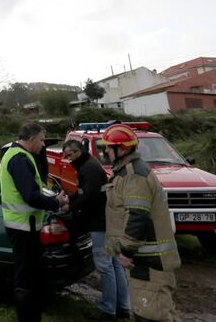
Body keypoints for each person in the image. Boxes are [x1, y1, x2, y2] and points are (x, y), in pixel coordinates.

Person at [102, 124, 181, 322]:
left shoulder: (134, 175)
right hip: (143, 260)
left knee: (152, 315)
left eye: (109, 147)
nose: (105, 151)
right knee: (152, 312)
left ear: (123, 149)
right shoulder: (126, 172)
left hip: (148, 261)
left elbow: (138, 216)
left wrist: (126, 251)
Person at [0, 122, 68, 322]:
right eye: (40, 140)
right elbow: (30, 196)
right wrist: (56, 202)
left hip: (24, 224)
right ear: (30, 140)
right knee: (25, 275)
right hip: (23, 226)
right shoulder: (19, 159)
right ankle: (27, 317)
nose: (42, 144)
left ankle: (32, 314)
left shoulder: (18, 155)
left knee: (30, 273)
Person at [63, 139, 131, 320]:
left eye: (70, 155)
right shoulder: (89, 165)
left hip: (100, 224)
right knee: (115, 265)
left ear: (78, 152)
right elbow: (84, 192)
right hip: (107, 221)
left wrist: (71, 207)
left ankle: (108, 309)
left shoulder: (89, 168)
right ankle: (123, 307)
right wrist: (71, 198)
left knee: (105, 265)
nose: (69, 160)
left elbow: (89, 197)